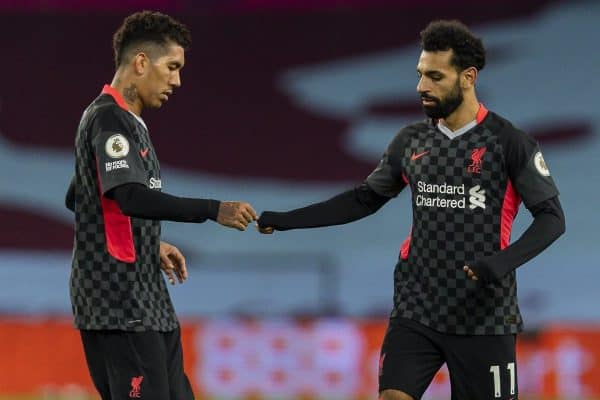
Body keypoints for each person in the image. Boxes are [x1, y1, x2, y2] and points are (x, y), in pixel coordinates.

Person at [257, 20, 565, 400]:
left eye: (435, 76)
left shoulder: (509, 142)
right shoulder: (411, 140)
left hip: (484, 315)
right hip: (417, 306)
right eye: (420, 75)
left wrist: (500, 263)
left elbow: (552, 219)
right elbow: (364, 199)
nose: (421, 86)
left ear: (467, 77)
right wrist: (287, 220)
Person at [65, 11, 257, 400]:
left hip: (146, 296)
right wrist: (211, 209)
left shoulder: (129, 123)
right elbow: (129, 196)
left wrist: (148, 243)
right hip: (117, 299)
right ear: (140, 63)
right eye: (171, 67)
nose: (177, 80)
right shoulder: (108, 119)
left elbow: (80, 196)